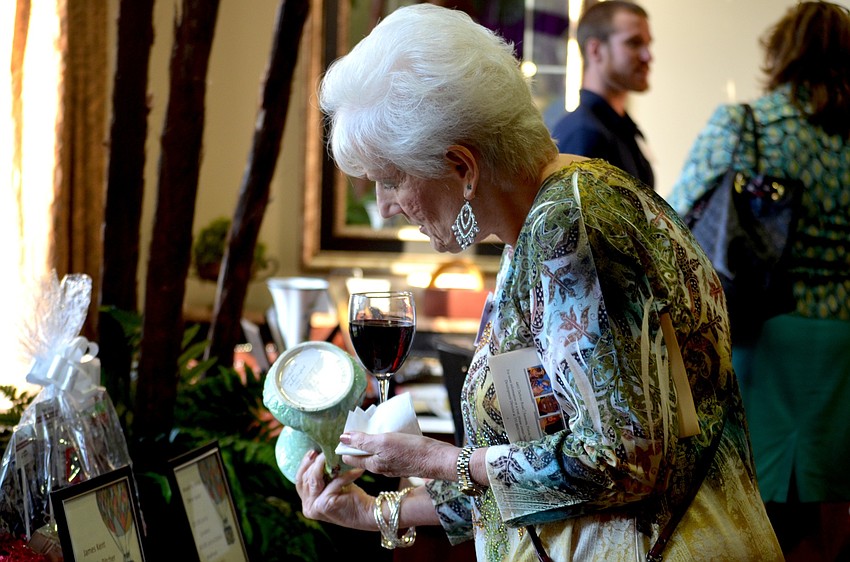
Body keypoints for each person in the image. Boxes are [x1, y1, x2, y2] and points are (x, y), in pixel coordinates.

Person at [295, 4, 782, 561]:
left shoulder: (571, 229)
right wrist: (371, 512)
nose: (385, 208)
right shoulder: (544, 223)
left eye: (390, 179)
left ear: (462, 166)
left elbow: (622, 459)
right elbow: (528, 477)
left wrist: (434, 459)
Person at [667, 2, 850, 560]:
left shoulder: (746, 125)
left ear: (780, 54)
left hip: (763, 338)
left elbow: (675, 218)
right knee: (829, 523)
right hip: (842, 344)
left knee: (752, 517)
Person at [549, 0, 655, 189]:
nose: (648, 56)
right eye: (634, 43)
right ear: (595, 50)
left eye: (648, 44)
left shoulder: (622, 129)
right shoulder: (584, 134)